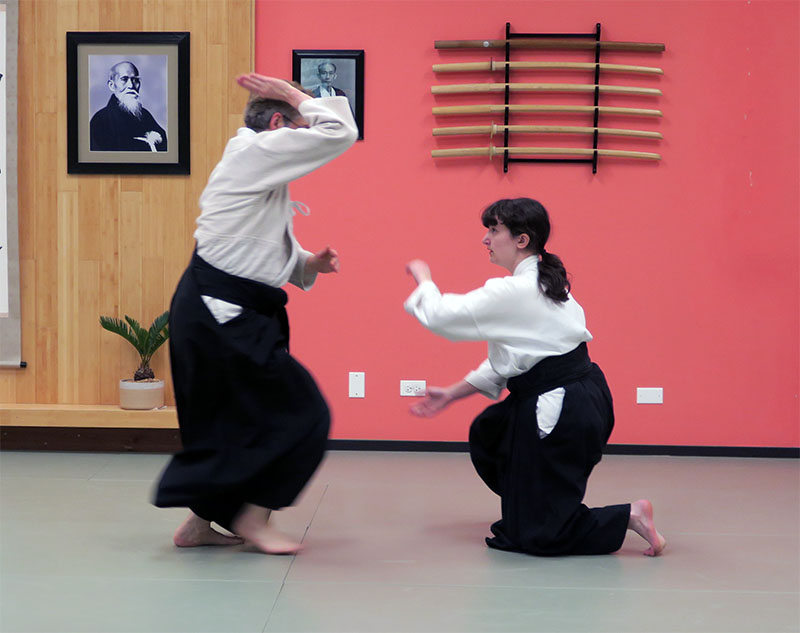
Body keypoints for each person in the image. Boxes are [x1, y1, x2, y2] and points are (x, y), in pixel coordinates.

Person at [154, 73, 358, 554]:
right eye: (298, 127)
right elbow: (340, 131)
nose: (303, 140)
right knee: (300, 414)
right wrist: (292, 94)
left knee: (231, 421)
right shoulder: (255, 152)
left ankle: (199, 524)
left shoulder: (251, 164)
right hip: (220, 311)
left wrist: (307, 264)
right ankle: (253, 517)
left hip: (216, 308)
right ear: (277, 125)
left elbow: (248, 244)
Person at [404, 198, 665, 557]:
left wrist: (424, 278)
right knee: (491, 433)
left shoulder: (518, 290)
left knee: (540, 538)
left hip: (563, 407)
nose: (485, 239)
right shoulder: (544, 283)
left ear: (521, 240)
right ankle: (534, 505)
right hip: (577, 397)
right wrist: (452, 393)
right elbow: (514, 359)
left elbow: (441, 316)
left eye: (494, 230)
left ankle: (629, 516)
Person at [89, 61, 168, 152]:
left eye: (135, 80)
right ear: (112, 85)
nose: (131, 85)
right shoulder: (100, 121)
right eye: (124, 79)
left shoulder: (145, 115)